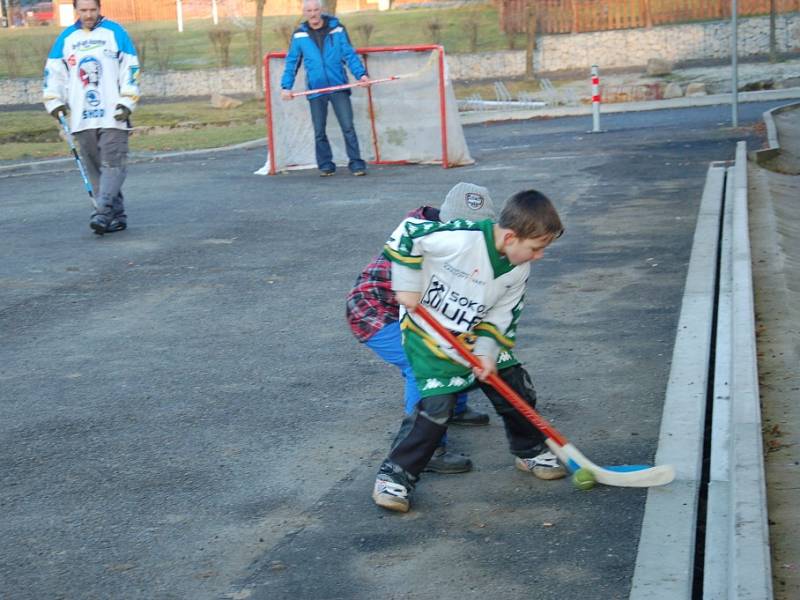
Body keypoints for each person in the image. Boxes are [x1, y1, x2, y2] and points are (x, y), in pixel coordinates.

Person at [372, 189, 568, 513]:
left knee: (514, 383)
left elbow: (502, 315)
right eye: (536, 248)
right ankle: (394, 476)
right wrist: (406, 282)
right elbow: (407, 233)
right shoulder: (460, 238)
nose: (539, 256)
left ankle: (529, 450)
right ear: (509, 237)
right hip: (428, 336)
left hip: (473, 334)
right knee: (436, 407)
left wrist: (488, 352)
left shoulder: (518, 270)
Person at [347, 183, 496, 475]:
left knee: (458, 342)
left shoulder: (454, 237)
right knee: (425, 365)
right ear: (445, 221)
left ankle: (453, 408)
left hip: (410, 307)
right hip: (375, 311)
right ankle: (428, 448)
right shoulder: (426, 243)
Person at [43, 0, 140, 236]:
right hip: (81, 116)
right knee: (95, 169)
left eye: (92, 10)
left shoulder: (115, 33)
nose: (88, 15)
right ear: (76, 10)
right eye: (83, 10)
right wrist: (54, 102)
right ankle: (116, 217)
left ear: (99, 9)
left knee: (113, 165)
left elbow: (131, 68)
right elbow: (54, 74)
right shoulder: (66, 38)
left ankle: (103, 211)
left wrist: (127, 101)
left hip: (114, 114)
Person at [280, 0, 368, 177]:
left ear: (322, 10)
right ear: (304, 13)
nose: (313, 14)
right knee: (319, 130)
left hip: (339, 86)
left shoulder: (338, 29)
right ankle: (326, 165)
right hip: (316, 90)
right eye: (309, 10)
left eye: (315, 10)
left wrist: (361, 75)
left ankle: (357, 164)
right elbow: (292, 62)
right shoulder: (299, 35)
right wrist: (286, 87)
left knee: (348, 127)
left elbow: (349, 54)